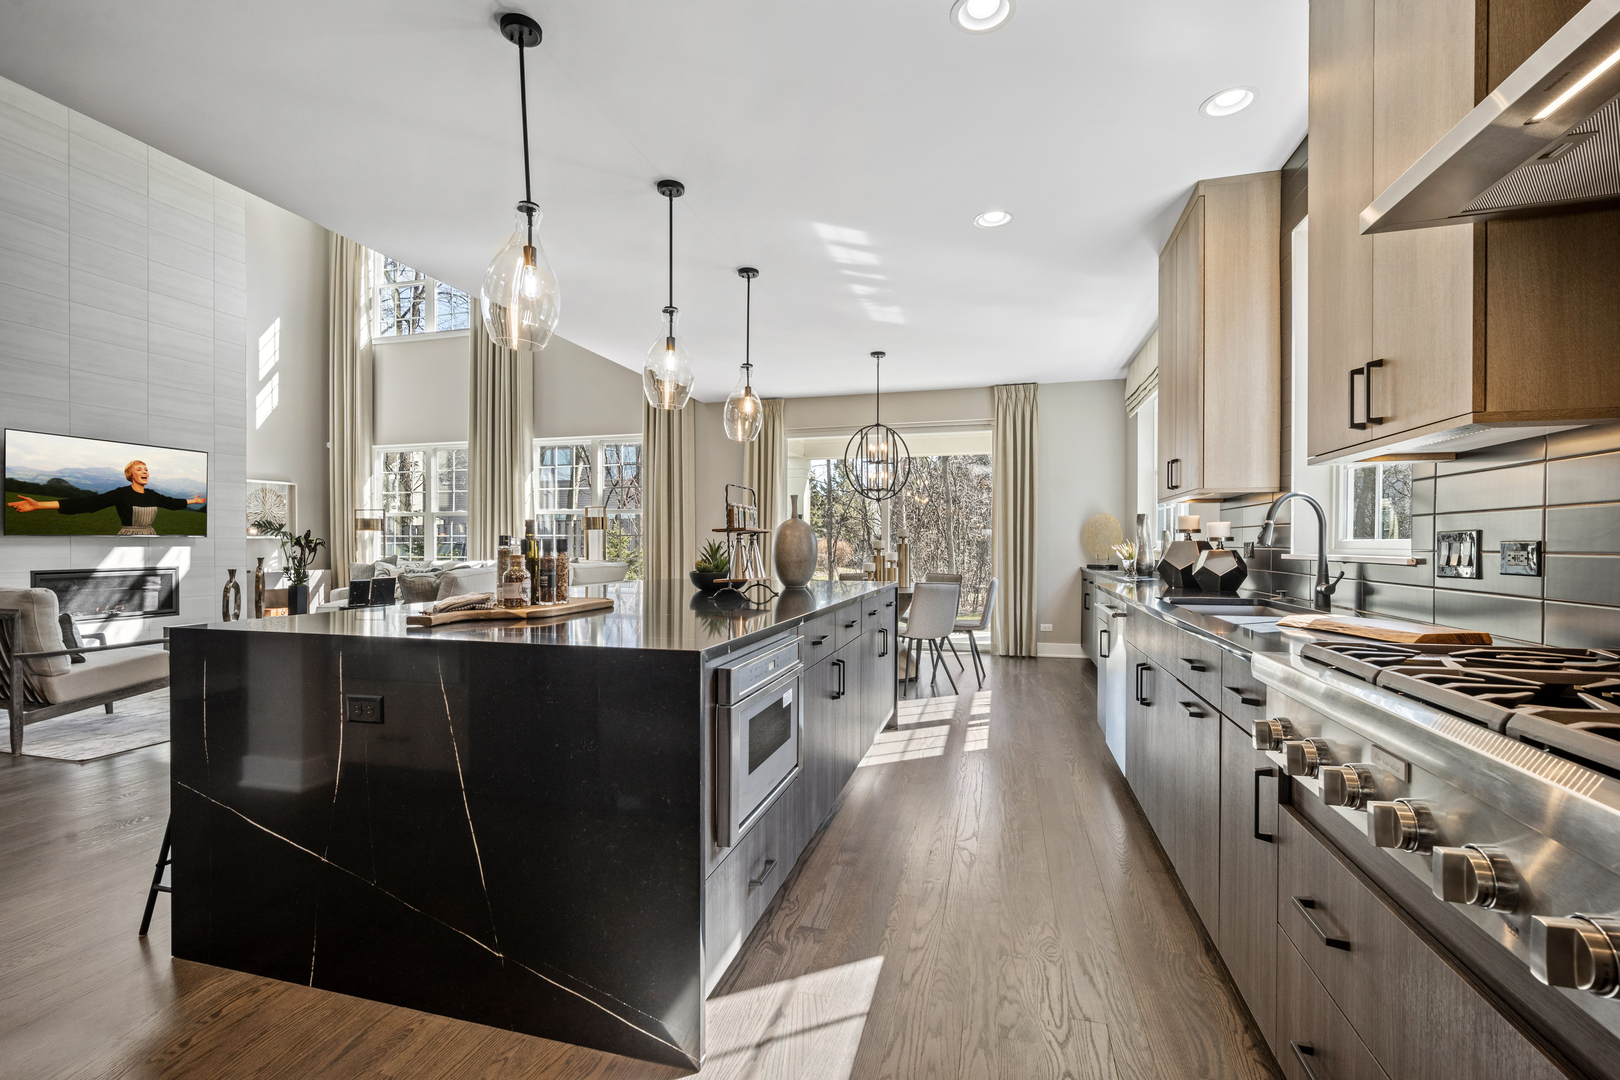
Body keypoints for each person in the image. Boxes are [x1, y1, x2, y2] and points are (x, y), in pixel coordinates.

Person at [7, 460, 206, 535]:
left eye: (146, 469)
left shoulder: (152, 495)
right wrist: (38, 505)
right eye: (139, 469)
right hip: (129, 538)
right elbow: (87, 504)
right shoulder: (121, 493)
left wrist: (193, 501)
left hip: (151, 538)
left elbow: (172, 503)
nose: (144, 471)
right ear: (131, 475)